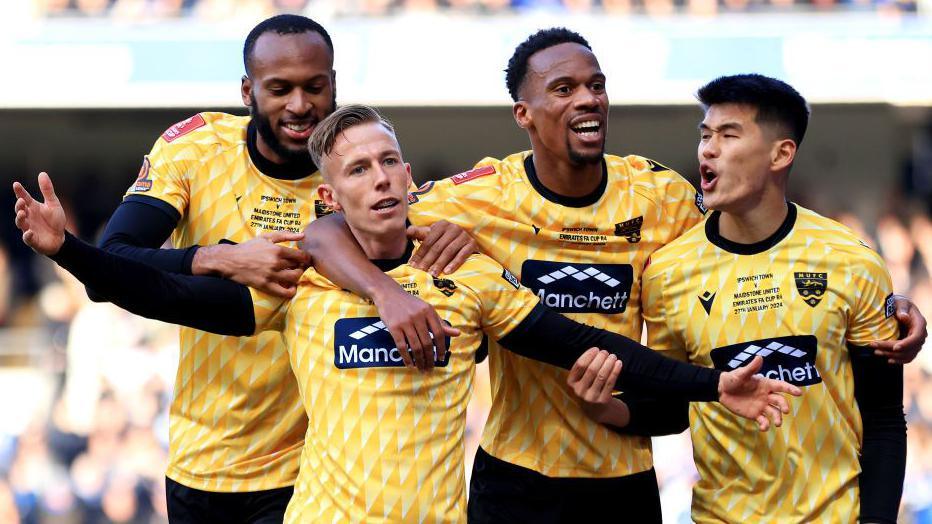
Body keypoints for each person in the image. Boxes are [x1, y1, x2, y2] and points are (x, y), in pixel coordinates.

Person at [14, 105, 802, 522]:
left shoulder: (468, 281)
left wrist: (712, 385)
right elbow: (162, 292)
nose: (382, 177)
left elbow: (581, 341)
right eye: (360, 168)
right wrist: (71, 252)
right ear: (331, 195)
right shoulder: (300, 282)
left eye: (392, 161)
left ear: (411, 178)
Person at [300, 28, 927, 523]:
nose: (587, 99)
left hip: (624, 475)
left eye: (596, 85)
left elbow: (754, 251)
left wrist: (885, 300)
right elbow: (331, 226)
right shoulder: (477, 197)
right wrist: (384, 289)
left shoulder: (663, 198)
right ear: (524, 113)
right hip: (516, 478)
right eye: (565, 88)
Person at [58, 14, 471, 522]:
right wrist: (219, 256)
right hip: (204, 458)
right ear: (248, 90)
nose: (300, 105)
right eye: (280, 89)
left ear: (333, 85)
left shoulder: (362, 177)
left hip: (312, 475)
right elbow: (113, 263)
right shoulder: (196, 148)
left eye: (315, 87)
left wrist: (463, 232)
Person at [576, 74, 906, 522]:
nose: (707, 150)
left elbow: (884, 418)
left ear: (780, 153)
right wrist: (607, 407)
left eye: (729, 135)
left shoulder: (852, 259)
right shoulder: (669, 272)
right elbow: (671, 406)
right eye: (705, 135)